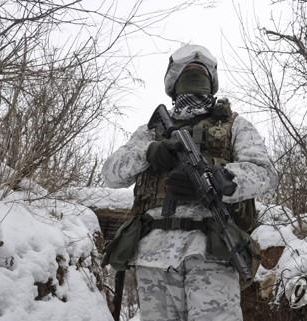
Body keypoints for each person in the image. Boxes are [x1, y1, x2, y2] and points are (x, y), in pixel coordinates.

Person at [102, 44, 277, 321]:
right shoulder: (151, 131)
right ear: (174, 82)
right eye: (188, 74)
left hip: (211, 252)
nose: (194, 82)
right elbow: (111, 175)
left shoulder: (235, 125)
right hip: (153, 257)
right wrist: (148, 152)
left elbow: (265, 173)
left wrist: (220, 179)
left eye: (200, 75)